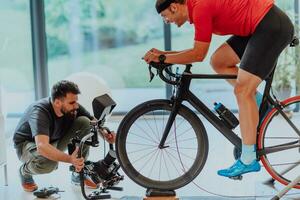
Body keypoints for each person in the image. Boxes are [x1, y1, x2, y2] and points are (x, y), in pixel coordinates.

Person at [143, 0, 294, 178]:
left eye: (164, 16)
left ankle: (248, 159)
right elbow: (197, 51)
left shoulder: (200, 8)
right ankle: (261, 105)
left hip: (270, 26)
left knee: (242, 91)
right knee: (219, 61)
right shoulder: (195, 9)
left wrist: (163, 57)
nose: (166, 21)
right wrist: (164, 55)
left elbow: (198, 55)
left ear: (174, 7)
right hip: (259, 26)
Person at [13, 80, 116, 192]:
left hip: (54, 140)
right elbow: (42, 146)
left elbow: (93, 121)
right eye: (72, 103)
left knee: (85, 122)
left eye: (76, 101)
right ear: (57, 103)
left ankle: (78, 173)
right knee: (49, 163)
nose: (76, 105)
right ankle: (24, 172)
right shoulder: (40, 112)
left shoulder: (73, 107)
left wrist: (105, 135)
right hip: (27, 146)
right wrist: (70, 159)